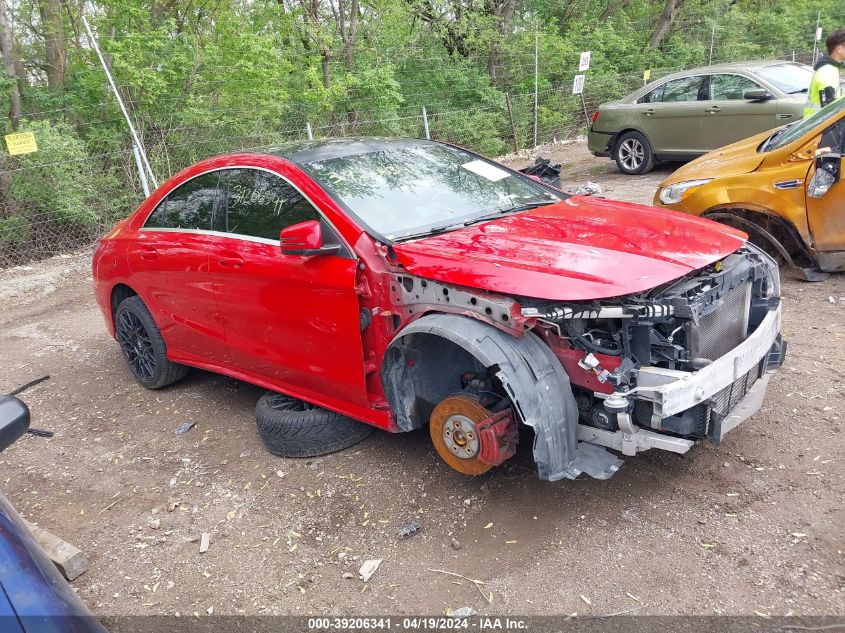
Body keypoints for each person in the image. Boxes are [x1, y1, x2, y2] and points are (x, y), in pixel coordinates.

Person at [804, 29, 845, 118]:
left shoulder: (832, 67)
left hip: (816, 123)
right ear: (839, 49)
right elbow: (828, 109)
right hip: (816, 125)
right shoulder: (827, 71)